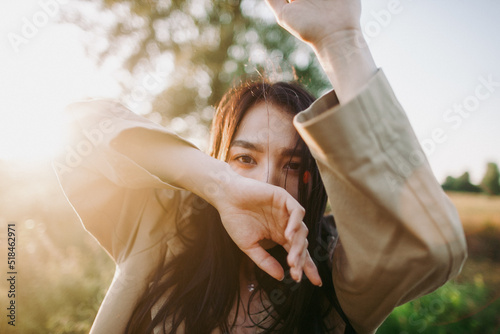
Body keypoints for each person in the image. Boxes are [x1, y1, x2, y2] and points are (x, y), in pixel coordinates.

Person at [54, 0, 467, 333]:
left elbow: (427, 243)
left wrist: (341, 41)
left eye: (293, 165)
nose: (268, 183)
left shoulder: (339, 276)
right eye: (244, 159)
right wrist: (218, 185)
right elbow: (78, 131)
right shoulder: (163, 231)